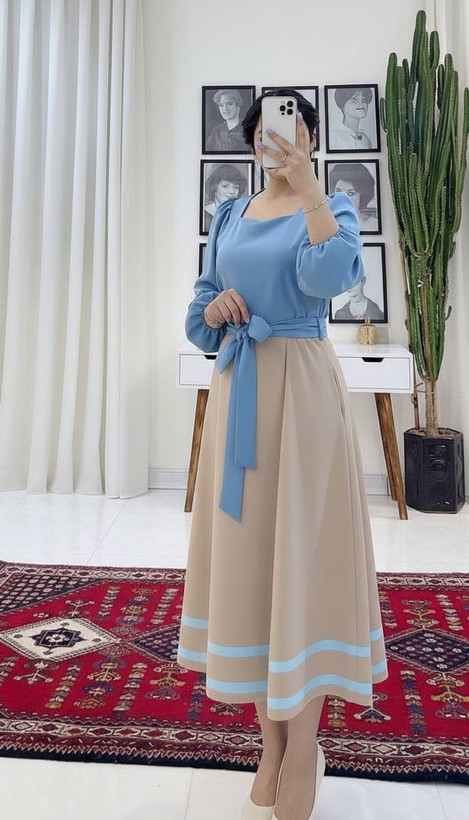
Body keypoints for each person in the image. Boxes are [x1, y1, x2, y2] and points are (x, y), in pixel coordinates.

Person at [177, 88, 388, 820]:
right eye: (267, 126)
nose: (279, 136)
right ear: (252, 142)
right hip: (239, 387)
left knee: (304, 561)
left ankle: (303, 752)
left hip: (302, 398)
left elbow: (332, 278)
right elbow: (200, 309)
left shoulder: (332, 207)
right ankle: (268, 743)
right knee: (248, 564)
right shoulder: (229, 216)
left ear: (309, 138)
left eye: (293, 124)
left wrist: (310, 191)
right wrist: (212, 311)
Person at [329, 162, 379, 231]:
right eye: (338, 191)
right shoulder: (328, 223)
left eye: (350, 193)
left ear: (363, 197)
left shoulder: (372, 224)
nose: (343, 198)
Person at [203, 163, 248, 231]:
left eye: (236, 187)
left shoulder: (243, 215)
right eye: (225, 186)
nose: (232, 191)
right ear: (214, 188)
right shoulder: (205, 215)